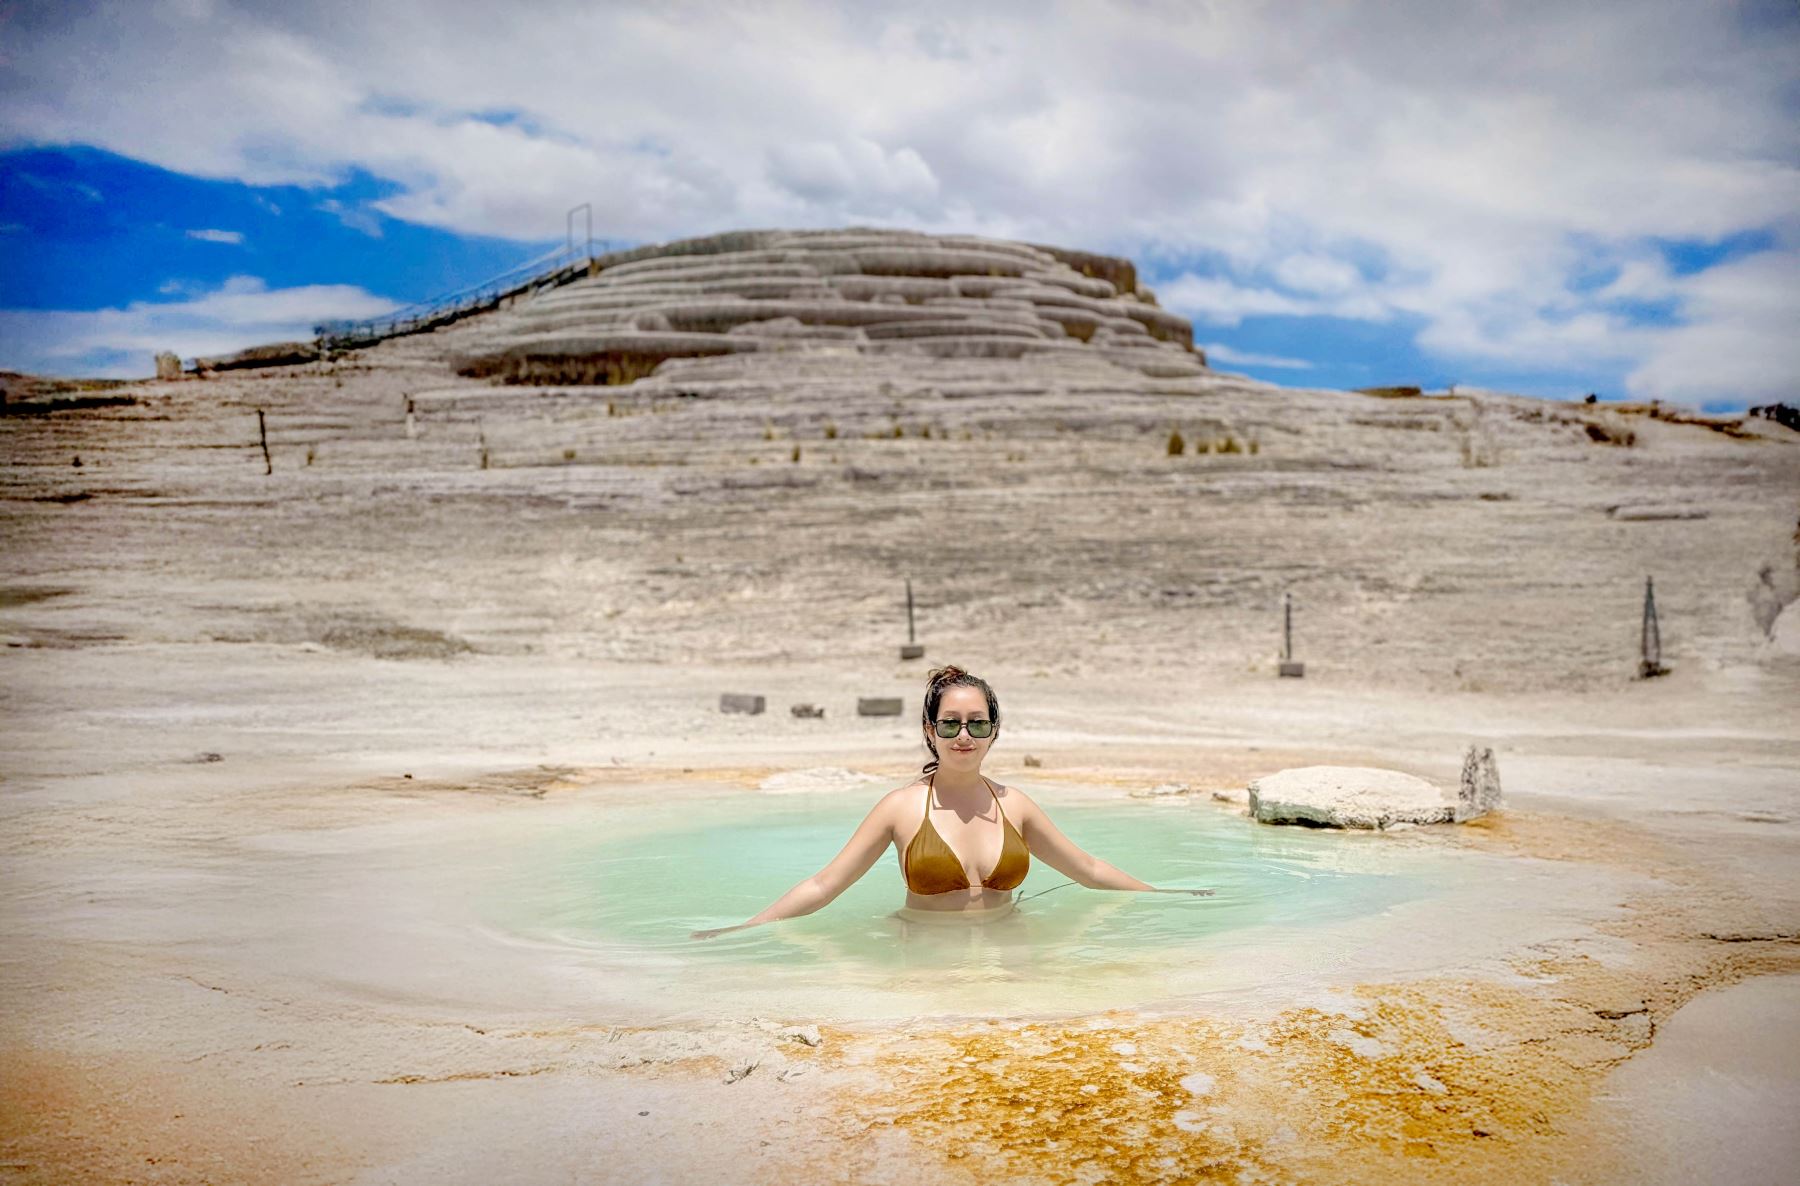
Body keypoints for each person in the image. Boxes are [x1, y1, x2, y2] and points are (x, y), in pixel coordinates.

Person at [691, 664, 1205, 939]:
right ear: (929, 730)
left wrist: (1166, 897)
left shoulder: (1017, 805)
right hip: (925, 959)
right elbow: (826, 884)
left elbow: (1089, 869)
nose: (964, 735)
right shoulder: (900, 808)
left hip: (1013, 953)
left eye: (978, 723)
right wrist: (744, 929)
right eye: (950, 723)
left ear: (994, 730)